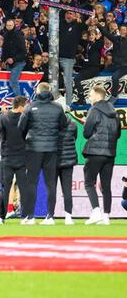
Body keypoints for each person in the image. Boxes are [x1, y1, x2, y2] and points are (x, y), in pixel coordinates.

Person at [18, 82, 67, 225]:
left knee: (31, 182)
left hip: (33, 149)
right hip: (51, 149)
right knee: (51, 183)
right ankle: (50, 216)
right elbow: (63, 126)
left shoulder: (30, 107)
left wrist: (28, 139)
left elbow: (21, 127)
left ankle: (30, 216)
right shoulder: (57, 108)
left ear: (38, 91)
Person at [82, 85, 121, 225]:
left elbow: (86, 133)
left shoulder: (94, 109)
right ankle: (106, 217)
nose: (89, 98)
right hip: (110, 152)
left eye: (91, 95)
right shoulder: (114, 112)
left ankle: (96, 211)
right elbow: (118, 134)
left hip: (94, 152)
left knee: (88, 183)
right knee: (106, 186)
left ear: (98, 96)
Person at [0, 97, 29, 220]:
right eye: (26, 106)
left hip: (7, 157)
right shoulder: (26, 119)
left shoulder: (4, 118)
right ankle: (26, 216)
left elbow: (2, 138)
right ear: (21, 106)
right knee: (23, 188)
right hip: (22, 158)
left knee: (5, 188)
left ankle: (1, 216)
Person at [56, 111, 78, 225]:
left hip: (54, 160)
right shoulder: (73, 124)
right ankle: (68, 216)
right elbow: (75, 138)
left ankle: (49, 216)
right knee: (67, 190)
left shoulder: (52, 125)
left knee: (51, 190)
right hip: (69, 160)